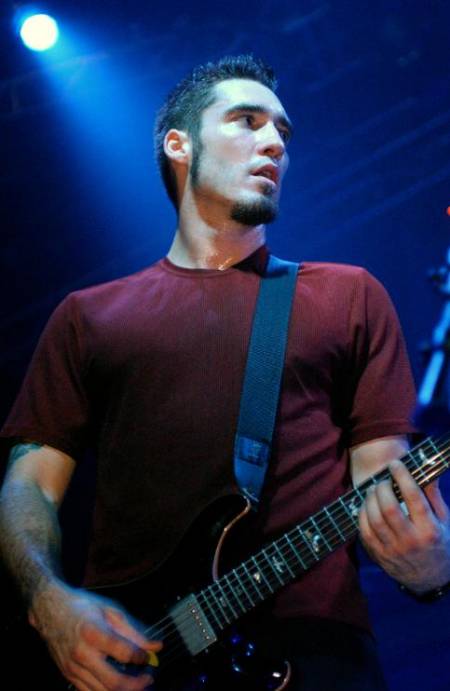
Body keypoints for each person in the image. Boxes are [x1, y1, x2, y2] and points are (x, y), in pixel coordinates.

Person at [1, 54, 450, 691]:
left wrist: (431, 565)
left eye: (283, 132)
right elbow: (31, 488)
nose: (275, 143)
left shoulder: (348, 295)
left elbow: (385, 481)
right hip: (136, 657)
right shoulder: (87, 317)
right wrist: (48, 601)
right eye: (247, 120)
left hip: (318, 652)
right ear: (178, 145)